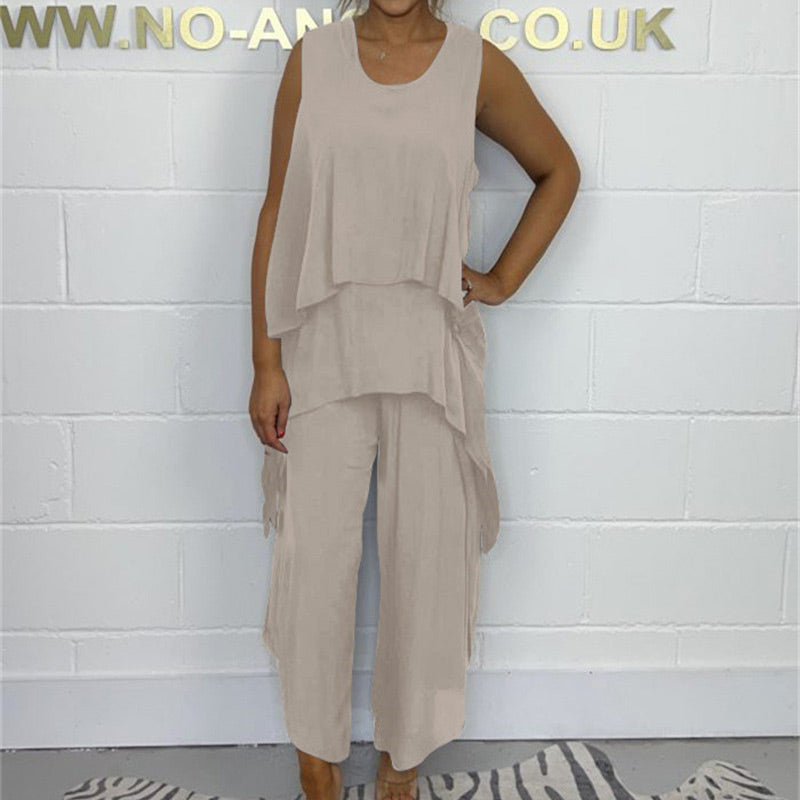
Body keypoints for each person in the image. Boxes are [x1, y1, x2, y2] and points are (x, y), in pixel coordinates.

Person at [248, 3, 580, 800]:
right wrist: (265, 360)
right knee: (313, 563)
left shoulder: (476, 66)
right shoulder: (311, 60)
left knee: (427, 564)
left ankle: (403, 760)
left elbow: (559, 172)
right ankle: (317, 756)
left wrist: (501, 279)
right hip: (322, 346)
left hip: (431, 353)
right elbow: (277, 211)